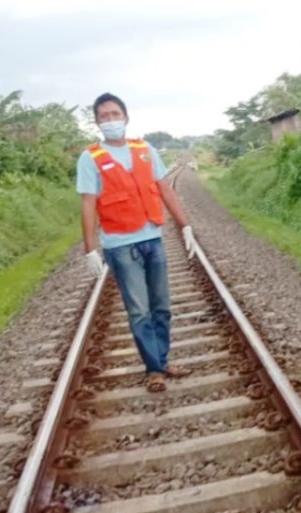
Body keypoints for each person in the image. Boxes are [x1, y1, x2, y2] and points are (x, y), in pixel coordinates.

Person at [77, 93, 198, 393]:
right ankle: (154, 369)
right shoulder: (90, 158)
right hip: (120, 245)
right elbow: (88, 204)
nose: (110, 120)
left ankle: (162, 359)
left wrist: (186, 227)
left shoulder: (145, 150)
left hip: (153, 239)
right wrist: (90, 248)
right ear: (97, 122)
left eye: (115, 114)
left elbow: (165, 190)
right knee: (139, 310)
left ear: (126, 117)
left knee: (161, 306)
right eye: (104, 116)